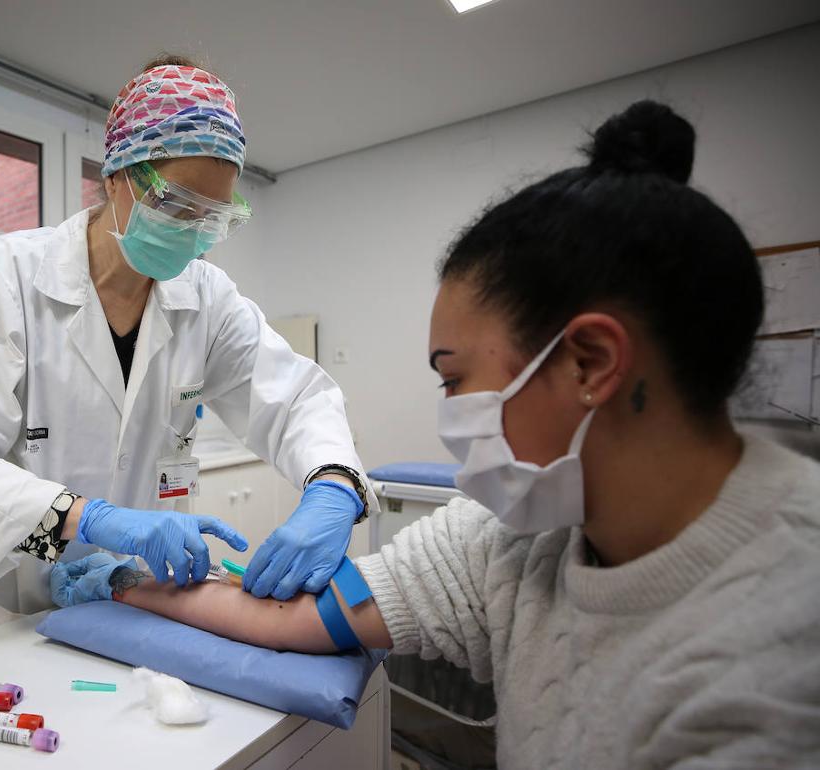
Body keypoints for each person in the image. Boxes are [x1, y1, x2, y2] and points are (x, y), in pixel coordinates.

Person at [52, 101, 820, 767]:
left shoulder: (778, 661)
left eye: (454, 379)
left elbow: (293, 416)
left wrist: (331, 484)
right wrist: (121, 576)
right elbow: (284, 619)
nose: (452, 417)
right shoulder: (510, 537)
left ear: (590, 360)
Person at [0, 55, 376, 645]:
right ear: (118, 174)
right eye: (178, 206)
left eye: (212, 216)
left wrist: (333, 486)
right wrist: (89, 520)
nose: (193, 231)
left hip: (137, 600)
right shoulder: (11, 276)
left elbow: (295, 398)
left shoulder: (208, 299)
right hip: (5, 609)